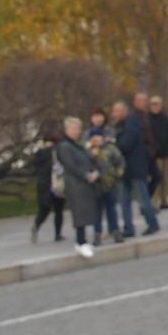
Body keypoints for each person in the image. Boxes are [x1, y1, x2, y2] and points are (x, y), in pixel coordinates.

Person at [54, 117, 102, 259]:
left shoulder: (78, 144)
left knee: (86, 211)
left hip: (84, 183)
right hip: (75, 183)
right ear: (67, 129)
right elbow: (70, 165)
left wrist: (94, 171)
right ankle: (80, 241)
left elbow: (87, 160)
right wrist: (86, 175)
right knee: (79, 212)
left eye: (78, 128)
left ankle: (84, 241)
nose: (76, 131)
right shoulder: (64, 146)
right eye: (73, 128)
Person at [112, 100, 160, 238]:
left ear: (123, 111)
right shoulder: (118, 126)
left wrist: (114, 144)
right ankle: (128, 228)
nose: (113, 114)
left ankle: (152, 223)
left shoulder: (131, 124)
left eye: (116, 111)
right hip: (124, 170)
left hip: (135, 168)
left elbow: (126, 144)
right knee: (124, 201)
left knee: (143, 199)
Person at [86, 106, 120, 242]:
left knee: (111, 208)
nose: (96, 140)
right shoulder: (88, 152)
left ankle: (115, 230)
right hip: (96, 184)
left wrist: (117, 175)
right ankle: (97, 233)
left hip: (109, 182)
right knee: (97, 210)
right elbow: (84, 165)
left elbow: (119, 162)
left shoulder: (109, 148)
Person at [29, 131, 65, 245]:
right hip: (57, 183)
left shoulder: (39, 153)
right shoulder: (58, 152)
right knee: (58, 210)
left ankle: (36, 225)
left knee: (44, 209)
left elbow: (34, 168)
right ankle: (58, 234)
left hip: (43, 184)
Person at [147, 95, 168, 211]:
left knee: (165, 178)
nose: (155, 107)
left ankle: (164, 200)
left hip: (166, 152)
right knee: (156, 178)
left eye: (157, 104)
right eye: (153, 104)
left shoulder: (165, 118)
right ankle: (154, 200)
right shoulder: (148, 119)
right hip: (155, 154)